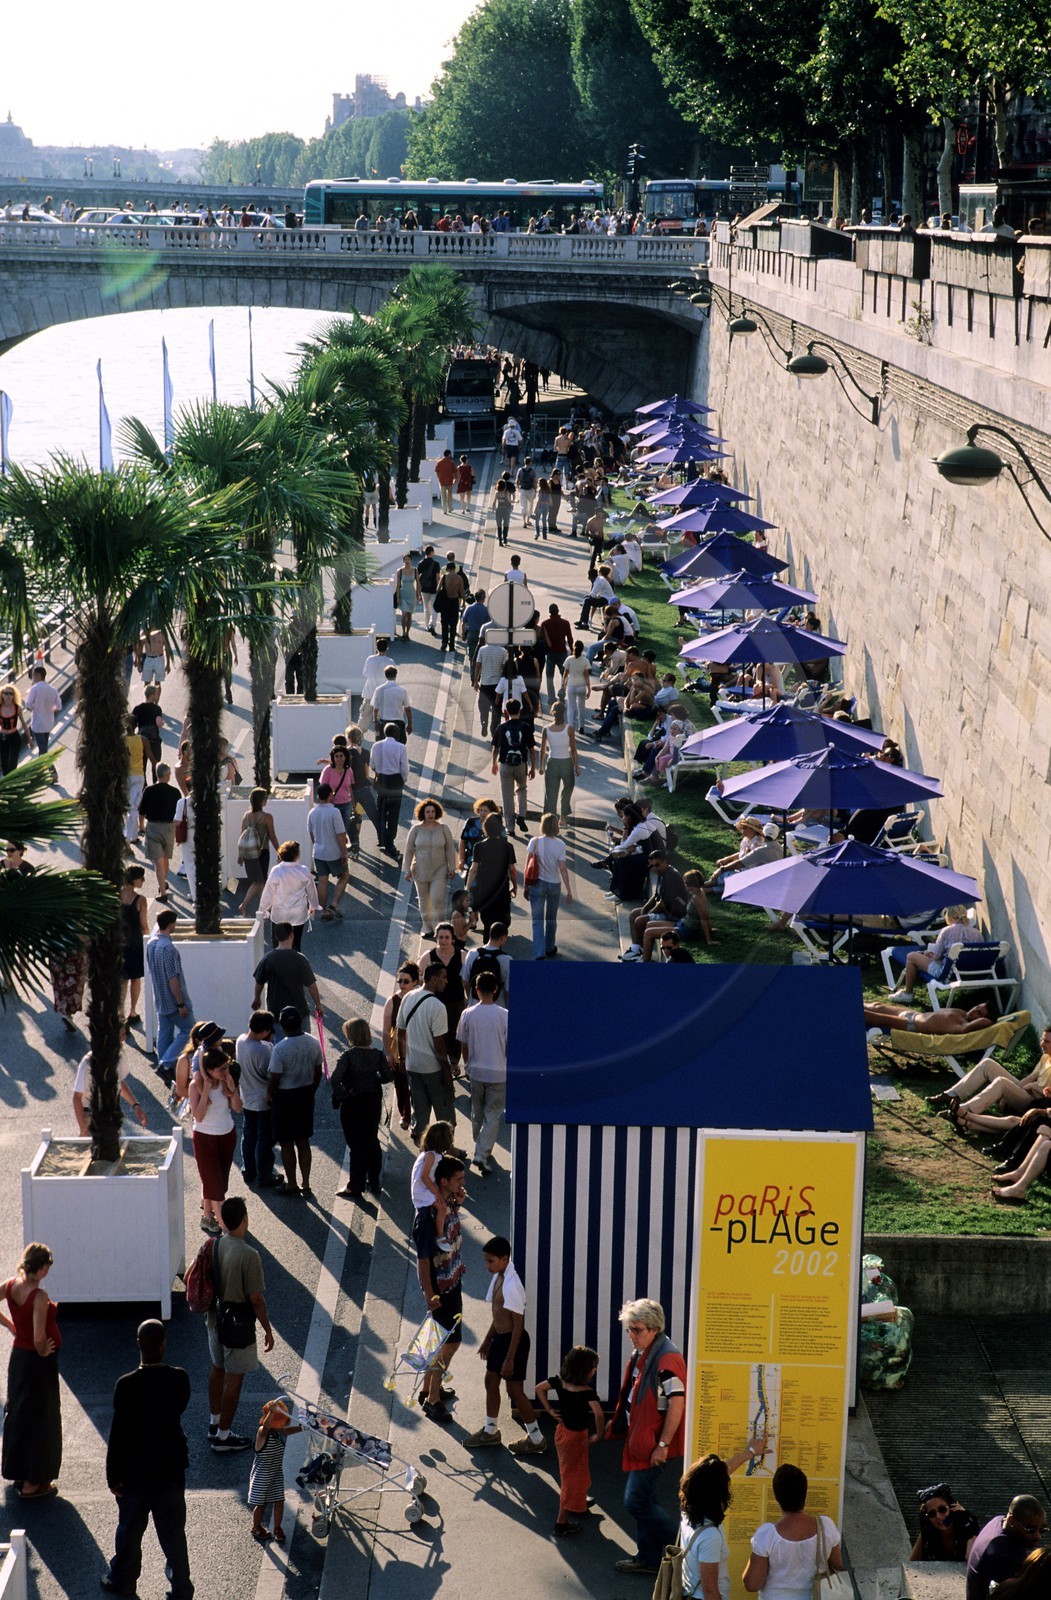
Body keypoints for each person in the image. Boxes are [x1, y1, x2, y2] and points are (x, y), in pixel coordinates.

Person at [102, 1320, 193, 1600]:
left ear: (138, 1344)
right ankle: (180, 1587)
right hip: (170, 1468)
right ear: (164, 1343)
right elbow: (180, 1406)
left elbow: (117, 1434)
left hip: (135, 1472)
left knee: (129, 1530)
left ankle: (123, 1580)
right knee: (174, 1534)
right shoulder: (179, 1378)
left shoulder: (126, 1385)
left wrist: (112, 1475)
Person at [606, 1297, 687, 1577]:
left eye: (636, 1329)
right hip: (643, 1442)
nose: (631, 1335)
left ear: (654, 1329)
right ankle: (648, 1558)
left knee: (635, 1502)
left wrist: (662, 1445)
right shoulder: (646, 1352)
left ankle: (685, 1544)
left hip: (654, 1446)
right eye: (629, 1329)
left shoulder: (667, 1359)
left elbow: (678, 1403)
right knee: (646, 1501)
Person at [206, 1198, 275, 1453]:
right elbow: (256, 1298)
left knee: (217, 1369)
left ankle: (214, 1423)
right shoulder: (249, 1255)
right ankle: (224, 1437)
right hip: (237, 1324)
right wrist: (267, 1329)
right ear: (244, 1218)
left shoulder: (216, 1244)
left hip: (215, 1317)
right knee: (234, 1381)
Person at [465, 1237, 545, 1454]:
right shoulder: (500, 1277)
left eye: (490, 1261)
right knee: (491, 1381)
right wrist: (488, 1340)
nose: (486, 1265)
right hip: (501, 1340)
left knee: (514, 1391)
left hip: (513, 1343)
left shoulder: (512, 1286)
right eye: (486, 1260)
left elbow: (518, 1325)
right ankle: (490, 1431)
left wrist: (510, 1358)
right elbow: (498, 1316)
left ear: (504, 1259)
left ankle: (536, 1439)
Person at [0, 1241, 62, 1499]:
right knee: (42, 1419)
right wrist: (45, 1351)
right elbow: (39, 1338)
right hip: (37, 1364)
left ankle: (19, 1473)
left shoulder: (11, 1285)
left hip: (18, 1359)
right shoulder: (39, 1297)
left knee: (19, 1413)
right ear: (43, 1267)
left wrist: (10, 1326)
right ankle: (34, 1483)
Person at [412, 1156, 468, 1422]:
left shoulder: (445, 1202)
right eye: (458, 1179)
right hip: (441, 1289)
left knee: (439, 1340)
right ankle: (433, 1400)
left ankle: (427, 1390)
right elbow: (423, 1258)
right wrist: (428, 1292)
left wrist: (456, 1203)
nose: (462, 1184)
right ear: (443, 1181)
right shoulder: (428, 1214)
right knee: (449, 1343)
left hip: (452, 1281)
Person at [678, 1438, 769, 1595]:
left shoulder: (689, 1512)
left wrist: (750, 1453)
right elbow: (710, 1592)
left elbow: (712, 1476)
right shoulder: (710, 1536)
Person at [744, 1462, 843, 1600]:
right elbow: (838, 1565)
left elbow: (752, 1584)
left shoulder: (767, 1535)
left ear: (777, 1497)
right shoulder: (826, 1526)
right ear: (804, 1494)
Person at [536, 1346, 605, 1536]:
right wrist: (599, 1434)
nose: (595, 1370)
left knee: (576, 1470)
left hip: (562, 1433)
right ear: (584, 1370)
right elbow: (599, 1414)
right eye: (593, 1367)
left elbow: (539, 1389)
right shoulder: (586, 1391)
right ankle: (562, 1522)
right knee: (572, 1476)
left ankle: (579, 1502)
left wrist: (549, 1410)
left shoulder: (560, 1382)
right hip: (577, 1437)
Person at [331, 1017, 391, 1200]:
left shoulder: (348, 1056)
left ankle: (355, 1185)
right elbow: (388, 1076)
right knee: (372, 1140)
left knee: (356, 1145)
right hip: (372, 1102)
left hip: (353, 1103)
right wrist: (374, 1080)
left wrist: (344, 1093)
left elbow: (335, 1079)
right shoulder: (377, 1055)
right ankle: (374, 1180)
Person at [267, 1007, 323, 1199]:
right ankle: (306, 1184)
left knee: (286, 1143)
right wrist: (312, 1091)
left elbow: (275, 1077)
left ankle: (291, 1184)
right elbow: (318, 1071)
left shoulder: (280, 1048)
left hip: (284, 1098)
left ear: (282, 1026)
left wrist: (269, 1094)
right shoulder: (313, 1042)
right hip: (305, 1094)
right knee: (303, 1141)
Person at [457, 971, 508, 1174]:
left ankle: (480, 1145)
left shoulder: (467, 1014)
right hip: (498, 1071)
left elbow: (464, 1044)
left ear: (475, 989)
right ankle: (482, 1153)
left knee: (477, 1111)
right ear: (496, 990)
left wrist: (467, 1064)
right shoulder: (505, 1016)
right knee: (493, 1114)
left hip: (476, 1071)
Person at [399, 962, 455, 1143]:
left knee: (420, 1112)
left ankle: (424, 1151)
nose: (446, 981)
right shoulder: (437, 1006)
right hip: (433, 1070)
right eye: (444, 977)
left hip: (413, 1067)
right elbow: (439, 1044)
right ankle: (447, 1151)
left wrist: (403, 1058)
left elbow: (400, 1031)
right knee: (444, 1113)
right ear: (433, 979)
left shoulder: (408, 997)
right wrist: (447, 1071)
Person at [189, 1045, 243, 1234]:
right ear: (209, 1071)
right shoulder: (195, 1086)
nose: (225, 1072)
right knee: (215, 1187)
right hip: (205, 1138)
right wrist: (205, 1092)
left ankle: (207, 1217)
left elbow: (237, 1108)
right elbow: (199, 1116)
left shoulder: (226, 1081)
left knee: (219, 1181)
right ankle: (228, 1231)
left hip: (227, 1134)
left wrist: (232, 1090)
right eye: (221, 1069)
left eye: (227, 1067)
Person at [885, 907, 985, 999]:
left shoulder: (947, 931)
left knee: (912, 957)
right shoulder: (977, 933)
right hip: (970, 972)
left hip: (947, 974)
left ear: (949, 916)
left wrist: (931, 954)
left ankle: (907, 993)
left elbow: (937, 957)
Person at [967, 1497, 1047, 1600]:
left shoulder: (998, 1521)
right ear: (1011, 1521)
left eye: (1042, 1529)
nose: (1038, 1536)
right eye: (1031, 1529)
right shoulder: (1005, 1556)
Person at [620, 850, 690, 962]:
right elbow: (656, 895)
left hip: (673, 915)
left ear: (665, 862)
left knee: (640, 921)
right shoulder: (662, 873)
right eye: (652, 866)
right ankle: (635, 949)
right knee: (634, 914)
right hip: (665, 911)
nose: (654, 868)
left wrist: (647, 913)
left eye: (657, 865)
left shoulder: (671, 876)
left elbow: (662, 904)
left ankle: (642, 952)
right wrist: (644, 909)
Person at [248, 1398, 301, 1545]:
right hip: (262, 1474)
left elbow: (288, 1431)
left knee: (279, 1500)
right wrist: (272, 1413)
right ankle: (256, 1526)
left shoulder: (277, 1433)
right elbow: (265, 1427)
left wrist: (303, 1427)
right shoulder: (263, 1432)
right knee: (262, 1502)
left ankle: (277, 1528)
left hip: (275, 1471)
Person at [146, 909, 194, 1070]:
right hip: (173, 1000)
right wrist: (181, 1004)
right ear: (171, 924)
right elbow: (173, 979)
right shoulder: (168, 948)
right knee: (190, 1030)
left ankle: (163, 1063)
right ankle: (166, 1063)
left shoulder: (151, 944)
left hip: (160, 998)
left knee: (164, 1032)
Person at [251, 923, 321, 1033]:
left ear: (276, 937)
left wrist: (257, 998)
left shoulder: (267, 959)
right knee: (304, 1043)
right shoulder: (300, 959)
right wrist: (318, 1005)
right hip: (299, 1011)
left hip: (276, 1012)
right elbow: (312, 986)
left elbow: (259, 982)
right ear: (292, 935)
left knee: (280, 1046)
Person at [403, 798, 457, 937]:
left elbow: (450, 849)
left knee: (437, 897)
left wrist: (452, 867)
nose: (430, 814)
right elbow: (409, 850)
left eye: (433, 811)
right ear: (423, 813)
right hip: (419, 869)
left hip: (439, 868)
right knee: (424, 900)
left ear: (436, 812)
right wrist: (407, 870)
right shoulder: (415, 829)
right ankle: (427, 925)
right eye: (428, 812)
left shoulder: (444, 828)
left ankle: (441, 925)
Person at [72, 1034, 147, 1135]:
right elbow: (77, 1097)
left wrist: (135, 1105)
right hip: (91, 1116)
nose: (124, 1038)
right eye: (122, 1035)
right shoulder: (88, 1063)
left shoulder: (119, 1057)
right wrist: (83, 1129)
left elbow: (118, 1082)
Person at [236, 1011, 278, 1189]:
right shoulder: (264, 1049)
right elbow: (272, 1074)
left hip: (247, 1099)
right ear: (266, 1031)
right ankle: (265, 1175)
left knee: (248, 1137)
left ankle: (248, 1170)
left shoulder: (239, 1041)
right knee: (265, 1140)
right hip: (263, 1101)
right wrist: (272, 1045)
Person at [524, 814, 572, 961]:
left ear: (542, 825)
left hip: (537, 883)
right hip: (554, 884)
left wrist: (526, 886)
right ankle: (549, 947)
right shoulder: (561, 845)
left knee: (537, 920)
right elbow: (563, 868)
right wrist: (569, 890)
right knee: (551, 918)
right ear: (557, 827)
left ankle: (539, 952)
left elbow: (528, 866)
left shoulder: (535, 841)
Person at [258, 841, 319, 951]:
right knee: (296, 944)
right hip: (298, 913)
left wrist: (262, 910)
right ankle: (295, 964)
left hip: (279, 913)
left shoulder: (276, 871)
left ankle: (279, 965)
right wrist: (313, 906)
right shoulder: (304, 870)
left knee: (277, 945)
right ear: (296, 855)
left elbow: (268, 893)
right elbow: (311, 891)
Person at [467, 817, 517, 940]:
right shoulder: (508, 847)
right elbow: (512, 869)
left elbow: (473, 870)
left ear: (485, 828)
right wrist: (515, 886)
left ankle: (486, 947)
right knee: (502, 921)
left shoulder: (479, 846)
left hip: (485, 890)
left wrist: (467, 889)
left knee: (487, 922)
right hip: (502, 890)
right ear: (500, 828)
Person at [383, 962, 418, 1132]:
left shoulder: (420, 999)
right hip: (398, 1052)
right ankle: (405, 1115)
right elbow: (385, 1030)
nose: (402, 985)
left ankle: (417, 1115)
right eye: (400, 981)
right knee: (401, 1085)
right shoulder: (392, 1001)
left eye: (406, 981)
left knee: (417, 1086)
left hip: (418, 1050)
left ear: (415, 982)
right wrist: (389, 1054)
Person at [492, 698, 536, 836]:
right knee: (521, 789)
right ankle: (521, 815)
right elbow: (531, 749)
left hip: (505, 764)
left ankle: (510, 828)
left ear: (506, 712)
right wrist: (533, 767)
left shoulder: (501, 727)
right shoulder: (526, 727)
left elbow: (496, 748)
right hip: (521, 764)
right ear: (520, 710)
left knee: (507, 796)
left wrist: (494, 763)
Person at [138, 764, 181, 900]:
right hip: (169, 828)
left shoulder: (149, 791)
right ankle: (163, 884)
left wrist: (141, 827)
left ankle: (162, 891)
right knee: (165, 858)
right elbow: (179, 813)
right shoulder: (175, 792)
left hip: (154, 827)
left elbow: (142, 812)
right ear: (167, 776)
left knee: (158, 861)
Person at [309, 782, 350, 921]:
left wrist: (317, 844)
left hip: (318, 853)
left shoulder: (312, 813)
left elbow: (311, 834)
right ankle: (334, 903)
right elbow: (340, 834)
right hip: (333, 853)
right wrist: (344, 852)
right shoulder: (334, 812)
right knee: (344, 875)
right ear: (329, 795)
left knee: (322, 881)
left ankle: (324, 911)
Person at [911, 1480, 980, 1561]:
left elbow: (972, 1561)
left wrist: (970, 1524)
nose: (938, 1517)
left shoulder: (966, 1527)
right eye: (932, 1514)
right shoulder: (928, 1531)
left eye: (942, 1509)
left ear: (952, 1508)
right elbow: (912, 1565)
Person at [237, 788, 279, 918]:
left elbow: (242, 836)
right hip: (262, 853)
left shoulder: (246, 816)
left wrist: (240, 854)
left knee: (260, 881)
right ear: (263, 801)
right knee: (258, 881)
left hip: (249, 853)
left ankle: (264, 909)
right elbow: (272, 836)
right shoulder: (267, 817)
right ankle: (244, 905)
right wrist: (280, 851)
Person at [369, 722, 410, 857]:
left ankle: (381, 838)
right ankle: (389, 841)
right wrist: (402, 780)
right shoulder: (400, 747)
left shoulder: (376, 746)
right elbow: (404, 768)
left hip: (382, 780)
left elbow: (373, 765)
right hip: (395, 782)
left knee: (381, 811)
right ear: (396, 734)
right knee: (393, 814)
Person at [863, 1000, 995, 1037]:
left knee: (868, 1016)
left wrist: (990, 1020)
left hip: (909, 1025)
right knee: (875, 1006)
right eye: (977, 1006)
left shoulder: (962, 1026)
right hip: (914, 1014)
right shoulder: (962, 1013)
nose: (974, 1011)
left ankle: (845, 1011)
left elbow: (986, 1022)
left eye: (979, 1013)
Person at [539, 706, 580, 822]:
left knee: (550, 793)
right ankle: (563, 817)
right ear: (564, 712)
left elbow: (542, 750)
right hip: (566, 762)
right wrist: (576, 766)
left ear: (552, 713)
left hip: (552, 762)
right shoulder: (569, 729)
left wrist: (541, 765)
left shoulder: (546, 729)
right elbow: (573, 750)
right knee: (568, 789)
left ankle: (550, 820)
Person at [120, 865, 149, 1024]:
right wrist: (149, 938)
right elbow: (143, 925)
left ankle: (121, 1012)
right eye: (142, 878)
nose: (143, 881)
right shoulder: (140, 900)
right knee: (135, 979)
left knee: (122, 978)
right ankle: (132, 1011)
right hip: (135, 942)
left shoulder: (117, 895)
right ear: (135, 880)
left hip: (120, 941)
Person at [462, 922, 511, 1006]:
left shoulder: (472, 953)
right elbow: (508, 990)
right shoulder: (507, 959)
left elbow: (465, 981)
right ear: (503, 938)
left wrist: (471, 998)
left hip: (474, 1006)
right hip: (497, 1008)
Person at [474, 631, 509, 739]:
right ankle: (494, 732)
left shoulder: (482, 649)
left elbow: (478, 666)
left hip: (485, 684)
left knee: (483, 707)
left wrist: (476, 681)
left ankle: (484, 721)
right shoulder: (503, 651)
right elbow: (505, 668)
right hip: (497, 686)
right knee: (496, 709)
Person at [24, 665, 62, 755]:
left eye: (33, 675)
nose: (33, 677)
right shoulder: (52, 690)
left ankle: (49, 768)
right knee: (44, 746)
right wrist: (50, 708)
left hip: (37, 724)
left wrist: (35, 707)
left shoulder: (34, 689)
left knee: (43, 749)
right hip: (48, 723)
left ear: (38, 675)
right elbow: (59, 706)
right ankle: (46, 767)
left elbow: (28, 705)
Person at [371, 664, 413, 744]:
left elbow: (375, 709)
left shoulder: (379, 690)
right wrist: (410, 724)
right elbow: (408, 709)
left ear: (385, 675)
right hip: (398, 723)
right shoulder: (402, 690)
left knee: (384, 745)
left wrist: (375, 722)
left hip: (384, 723)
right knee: (400, 746)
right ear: (396, 675)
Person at [435, 556, 469, 653]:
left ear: (447, 569)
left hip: (445, 602)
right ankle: (452, 645)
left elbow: (438, 589)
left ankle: (444, 642)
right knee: (453, 624)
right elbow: (462, 592)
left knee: (444, 624)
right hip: (454, 602)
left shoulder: (444, 577)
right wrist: (463, 603)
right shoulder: (459, 578)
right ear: (454, 568)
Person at [131, 684, 164, 781]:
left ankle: (144, 787)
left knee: (142, 766)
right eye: (157, 694)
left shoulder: (137, 708)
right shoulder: (156, 709)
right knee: (156, 765)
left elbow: (132, 724)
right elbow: (158, 722)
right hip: (154, 740)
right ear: (152, 695)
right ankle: (156, 784)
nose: (157, 696)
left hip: (141, 740)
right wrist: (161, 723)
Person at [0, 683, 31, 774]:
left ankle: (14, 783)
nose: (8, 696)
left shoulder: (17, 708)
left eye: (11, 694)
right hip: (3, 737)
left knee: (12, 764)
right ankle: (7, 786)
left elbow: (24, 724)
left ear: (14, 696)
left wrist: (30, 738)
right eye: (6, 693)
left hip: (14, 737)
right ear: (2, 694)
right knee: (4, 764)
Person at [394, 553, 422, 639]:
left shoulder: (415, 570)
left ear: (411, 561)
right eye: (405, 559)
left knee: (409, 615)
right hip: (403, 594)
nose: (407, 561)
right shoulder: (400, 571)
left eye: (408, 559)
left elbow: (418, 582)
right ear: (403, 561)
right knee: (404, 614)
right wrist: (398, 597)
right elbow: (398, 585)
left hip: (411, 594)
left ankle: (407, 633)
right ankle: (403, 632)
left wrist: (418, 594)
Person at [461, 590, 491, 669]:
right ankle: (479, 676)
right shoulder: (486, 610)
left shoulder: (469, 608)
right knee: (481, 657)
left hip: (471, 634)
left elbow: (464, 622)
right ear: (483, 598)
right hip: (482, 635)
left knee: (472, 657)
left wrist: (463, 634)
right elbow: (488, 624)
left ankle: (473, 678)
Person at [492, 475, 515, 548]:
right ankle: (505, 538)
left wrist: (493, 509)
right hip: (506, 510)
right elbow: (509, 500)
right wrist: (515, 502)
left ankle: (500, 540)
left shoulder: (497, 493)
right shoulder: (507, 493)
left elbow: (494, 503)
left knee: (499, 526)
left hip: (499, 510)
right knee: (506, 525)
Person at [434, 449, 457, 515]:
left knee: (443, 496)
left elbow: (436, 471)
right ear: (449, 454)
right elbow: (454, 471)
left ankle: (444, 509)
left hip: (442, 481)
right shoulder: (451, 462)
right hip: (449, 481)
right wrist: (454, 479)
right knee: (449, 495)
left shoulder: (439, 462)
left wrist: (439, 477)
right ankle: (450, 508)